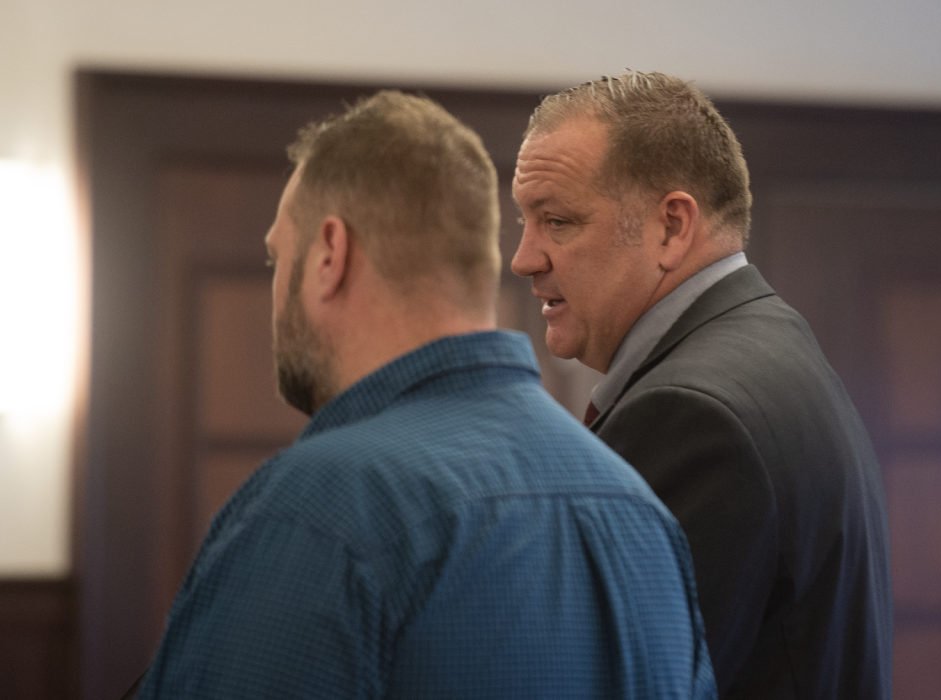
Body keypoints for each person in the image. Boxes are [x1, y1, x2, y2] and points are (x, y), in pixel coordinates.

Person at [135, 90, 716, 699]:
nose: (275, 287)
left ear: (331, 253)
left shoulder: (318, 510)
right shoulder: (641, 514)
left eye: (277, 256)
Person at [510, 71, 893, 699]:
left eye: (557, 221)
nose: (524, 257)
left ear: (671, 226)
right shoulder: (772, 340)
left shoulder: (689, 415)